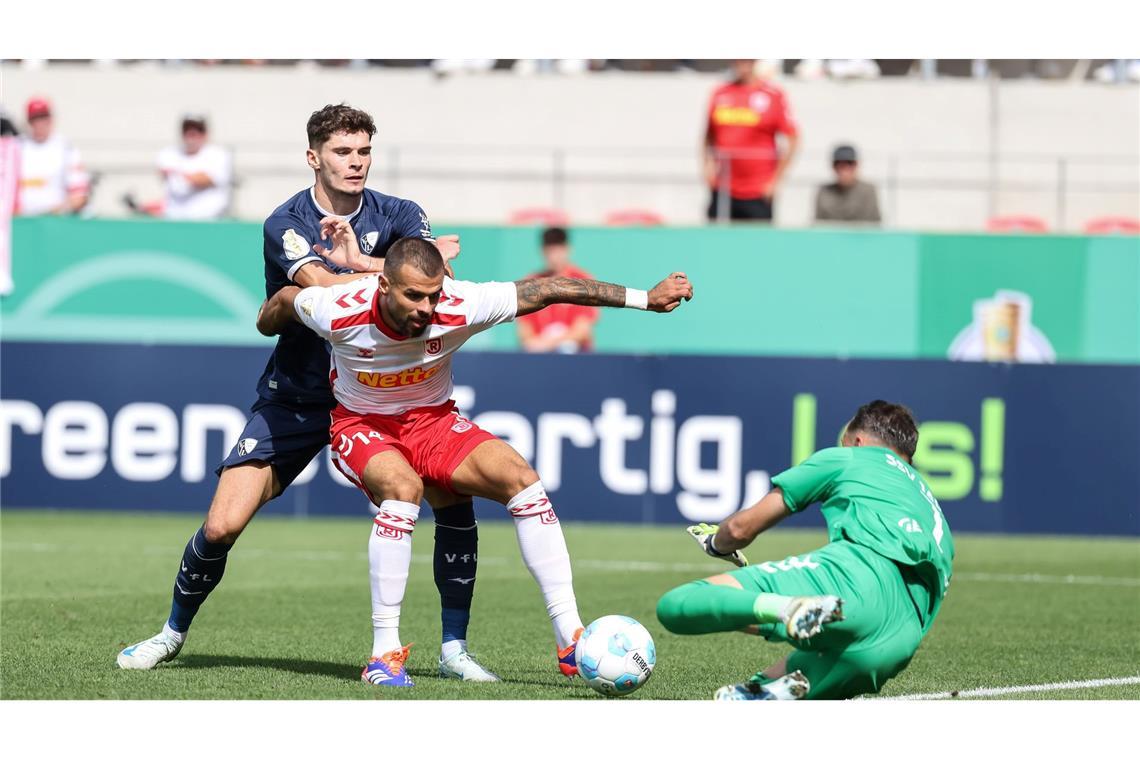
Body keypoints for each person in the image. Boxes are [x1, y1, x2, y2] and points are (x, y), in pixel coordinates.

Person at [116, 104, 498, 683]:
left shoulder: (399, 212)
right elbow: (322, 285)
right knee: (221, 526)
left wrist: (367, 262)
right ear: (314, 157)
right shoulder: (285, 222)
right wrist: (380, 267)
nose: (356, 163)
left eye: (364, 151)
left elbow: (428, 278)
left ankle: (454, 651)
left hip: (383, 398)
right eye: (344, 153)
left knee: (450, 502)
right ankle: (171, 634)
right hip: (297, 394)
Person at [256, 235, 693, 686]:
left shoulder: (461, 304)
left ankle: (570, 638)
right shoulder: (337, 308)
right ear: (383, 286)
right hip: (361, 424)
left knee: (522, 479)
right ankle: (384, 655)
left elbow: (551, 289)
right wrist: (266, 322)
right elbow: (289, 299)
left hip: (434, 423)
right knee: (404, 490)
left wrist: (647, 299)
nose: (426, 308)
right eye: (413, 295)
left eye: (432, 295)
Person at [656, 400, 954, 700]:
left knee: (676, 605)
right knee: (752, 695)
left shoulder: (849, 458)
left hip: (855, 578)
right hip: (894, 646)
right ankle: (775, 668)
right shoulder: (934, 513)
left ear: (858, 441)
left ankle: (785, 608)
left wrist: (716, 543)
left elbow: (739, 530)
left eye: (845, 442)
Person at [703, 59, 799, 223]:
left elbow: (793, 138)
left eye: (747, 60)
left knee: (757, 245)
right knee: (719, 242)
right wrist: (707, 166)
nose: (742, 64)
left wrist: (775, 181)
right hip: (723, 187)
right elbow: (708, 135)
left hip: (758, 191)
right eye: (738, 60)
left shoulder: (772, 95)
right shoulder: (720, 93)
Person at [516, 227, 599, 353]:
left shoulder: (584, 281)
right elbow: (525, 332)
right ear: (543, 252)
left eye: (558, 251)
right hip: (541, 357)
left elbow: (582, 330)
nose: (554, 257)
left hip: (577, 355)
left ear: (567, 249)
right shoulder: (530, 282)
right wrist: (538, 344)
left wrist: (551, 343)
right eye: (550, 251)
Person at [15, 97, 90, 216]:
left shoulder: (65, 149)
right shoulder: (16, 147)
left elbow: (79, 195)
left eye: (43, 118)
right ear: (28, 122)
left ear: (51, 119)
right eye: (35, 119)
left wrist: (57, 211)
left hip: (54, 222)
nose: (39, 124)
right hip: (21, 221)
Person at [156, 114, 233, 220]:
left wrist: (177, 172)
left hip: (209, 220)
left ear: (205, 134)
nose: (191, 135)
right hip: (175, 219)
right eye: (187, 130)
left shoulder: (218, 155)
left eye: (197, 131)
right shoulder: (168, 154)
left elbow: (205, 179)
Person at [813, 144, 882, 224]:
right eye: (838, 163)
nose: (844, 168)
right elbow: (819, 226)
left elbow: (873, 227)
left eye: (849, 163)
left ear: (856, 165)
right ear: (833, 166)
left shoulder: (868, 191)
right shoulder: (824, 191)